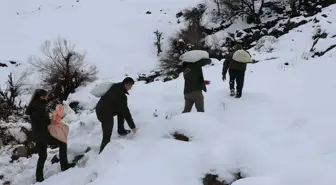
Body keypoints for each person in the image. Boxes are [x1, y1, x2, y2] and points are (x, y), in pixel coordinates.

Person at [25, 89, 74, 183]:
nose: (47, 97)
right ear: (41, 97)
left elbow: (39, 119)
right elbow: (41, 121)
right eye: (46, 95)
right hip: (42, 134)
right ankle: (64, 167)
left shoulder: (34, 105)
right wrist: (52, 120)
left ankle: (39, 178)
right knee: (62, 143)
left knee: (42, 155)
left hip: (37, 134)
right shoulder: (38, 106)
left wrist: (50, 119)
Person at [95, 77, 137, 153]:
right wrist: (133, 126)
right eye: (130, 86)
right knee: (107, 135)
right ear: (126, 84)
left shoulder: (117, 86)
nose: (130, 88)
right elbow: (126, 113)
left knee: (121, 112)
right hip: (104, 113)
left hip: (102, 108)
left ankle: (121, 130)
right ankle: (102, 152)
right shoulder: (121, 95)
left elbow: (122, 110)